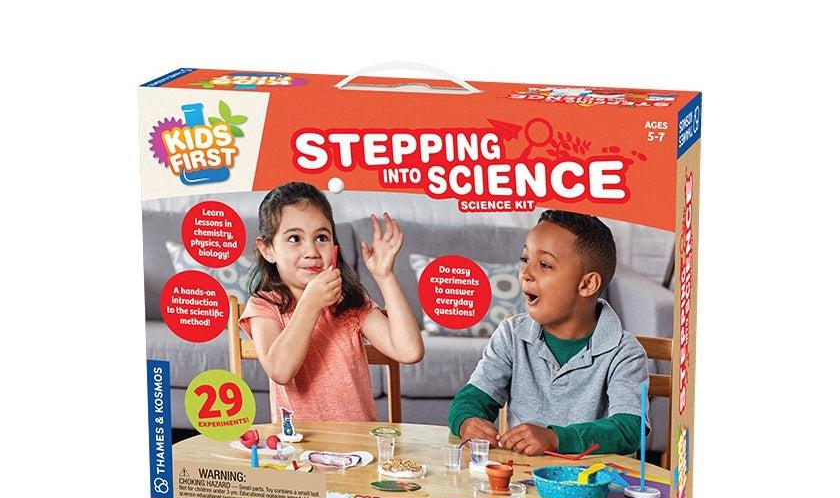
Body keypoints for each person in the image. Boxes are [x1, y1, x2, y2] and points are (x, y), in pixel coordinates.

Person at [448, 210, 649, 456]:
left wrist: (555, 438)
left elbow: (629, 428)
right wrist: (467, 421)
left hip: (592, 478)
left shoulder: (625, 351)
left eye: (544, 264)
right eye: (525, 259)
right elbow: (471, 400)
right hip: (521, 474)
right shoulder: (511, 335)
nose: (526, 273)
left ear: (587, 284)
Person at [240, 182, 424, 423]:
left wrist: (384, 276)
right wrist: (311, 303)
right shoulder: (264, 305)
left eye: (321, 237)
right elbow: (280, 370)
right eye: (294, 238)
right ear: (267, 250)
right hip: (300, 443)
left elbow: (409, 351)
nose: (312, 251)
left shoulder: (349, 302)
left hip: (359, 443)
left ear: (334, 246)